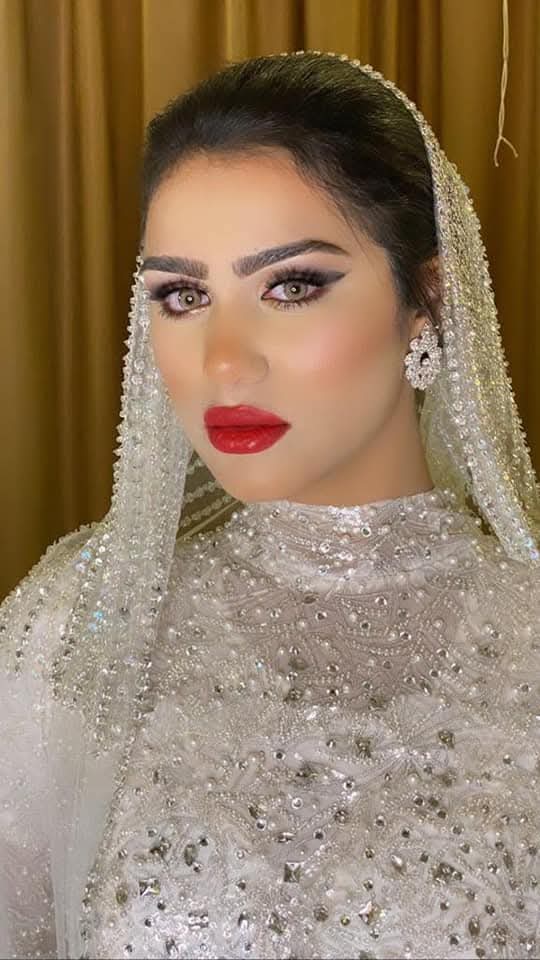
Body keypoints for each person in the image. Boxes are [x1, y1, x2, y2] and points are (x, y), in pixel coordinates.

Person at [1, 50, 539, 960]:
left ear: (427, 301)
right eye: (182, 295)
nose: (223, 360)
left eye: (291, 286)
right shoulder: (78, 627)